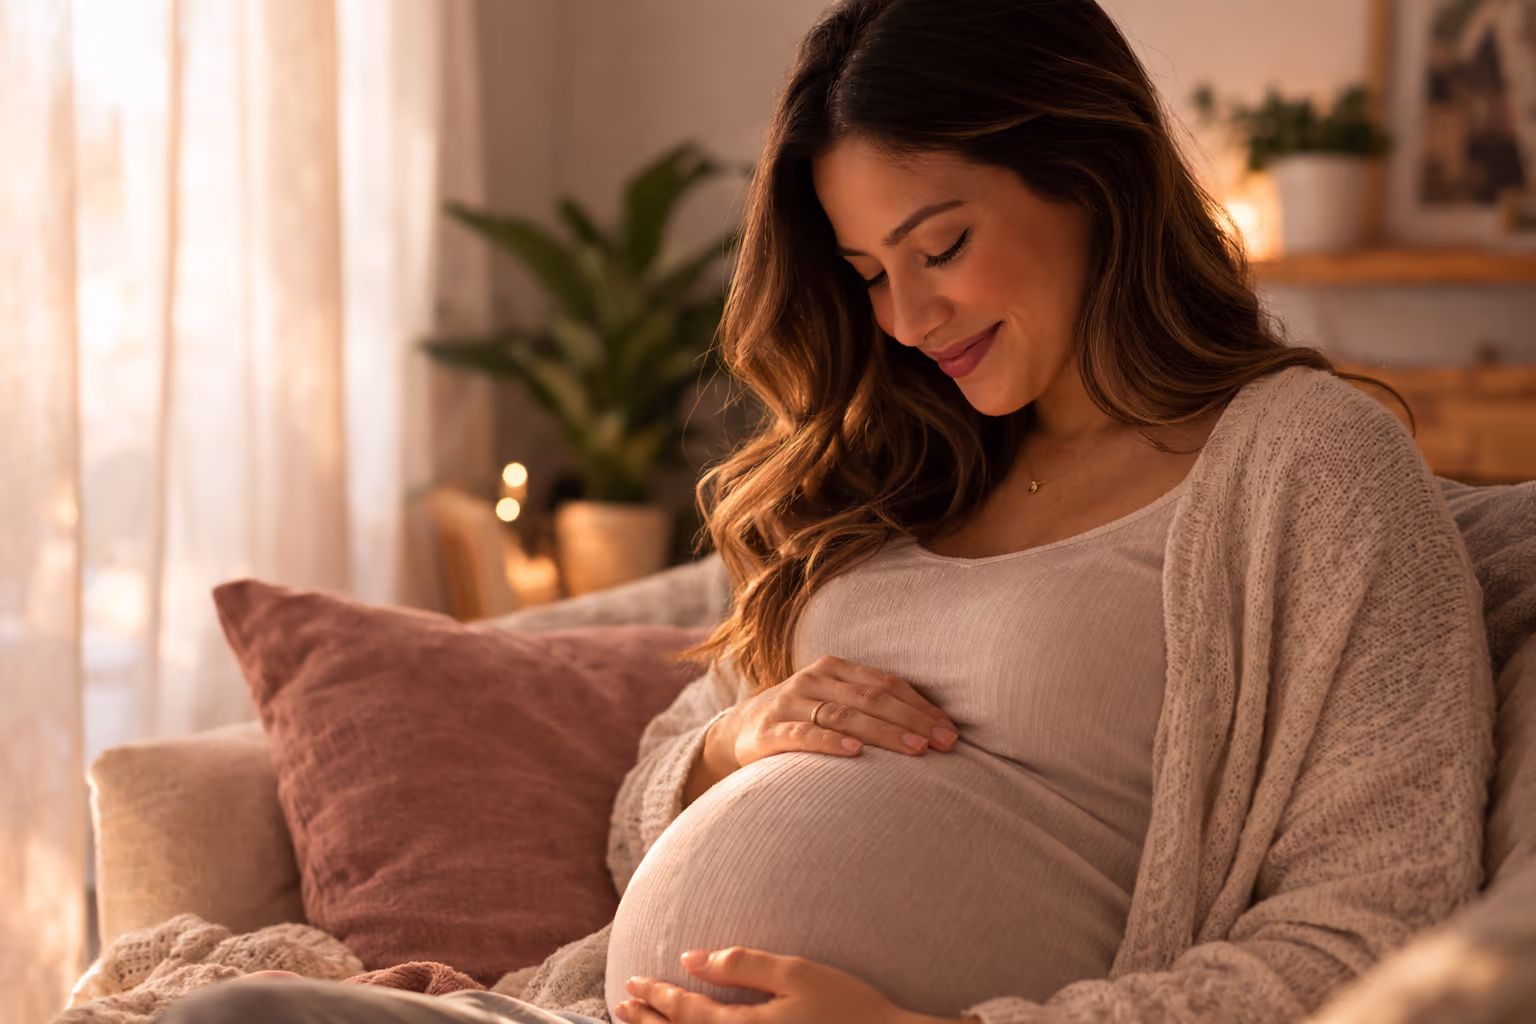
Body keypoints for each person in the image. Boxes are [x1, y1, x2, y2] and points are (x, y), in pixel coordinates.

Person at [161, 0, 1495, 1022]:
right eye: (866, 272)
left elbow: (1372, 930)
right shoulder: (891, 475)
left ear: (1094, 177)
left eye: (941, 245)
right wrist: (731, 744)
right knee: (231, 1016)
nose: (906, 320)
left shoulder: (1304, 466)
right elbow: (637, 825)